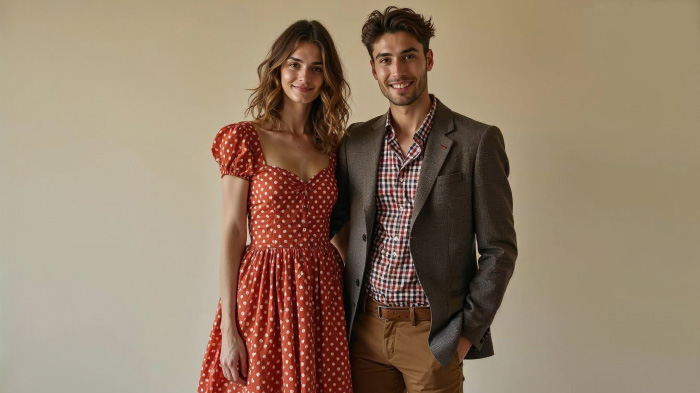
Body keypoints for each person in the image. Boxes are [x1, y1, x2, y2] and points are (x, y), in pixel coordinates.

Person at [330, 6, 517, 393]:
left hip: (433, 335)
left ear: (428, 58)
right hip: (364, 331)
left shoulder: (475, 142)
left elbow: (499, 249)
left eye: (409, 56)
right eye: (385, 59)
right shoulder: (356, 142)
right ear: (373, 69)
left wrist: (465, 333)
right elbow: (338, 222)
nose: (398, 71)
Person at [198, 20, 352, 393]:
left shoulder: (333, 148)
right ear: (278, 68)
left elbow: (344, 228)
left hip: (322, 293)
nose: (305, 76)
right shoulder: (246, 138)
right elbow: (233, 230)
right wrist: (229, 328)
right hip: (264, 292)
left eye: (317, 67)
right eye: (295, 64)